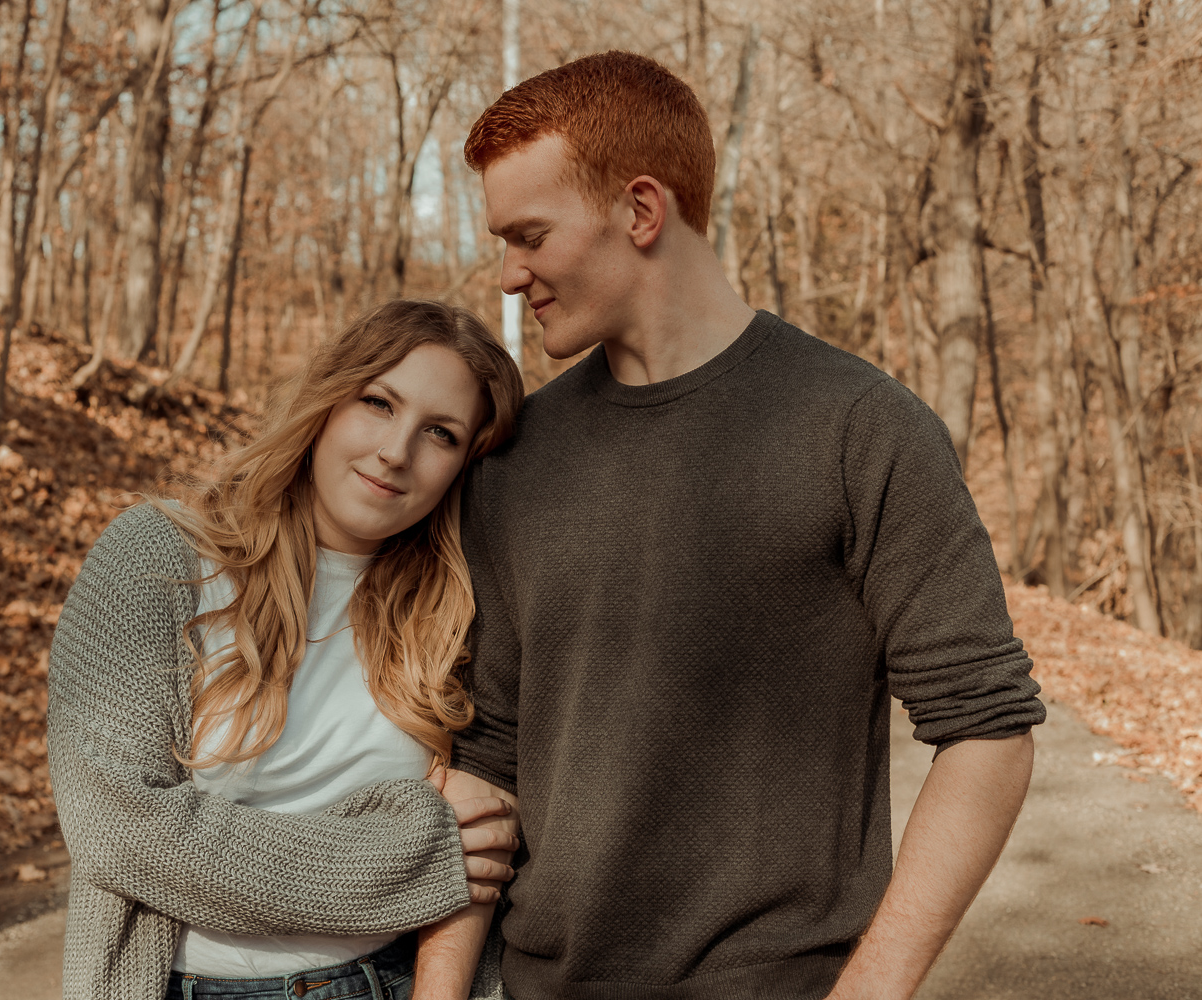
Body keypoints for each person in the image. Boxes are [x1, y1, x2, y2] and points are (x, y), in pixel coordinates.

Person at [415, 52, 1048, 1000]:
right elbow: (489, 761)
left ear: (640, 210)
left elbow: (987, 730)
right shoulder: (513, 459)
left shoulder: (860, 428)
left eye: (529, 236)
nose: (508, 275)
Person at [47, 299, 525, 1000]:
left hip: (391, 981)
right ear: (327, 401)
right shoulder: (155, 561)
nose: (396, 452)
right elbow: (116, 830)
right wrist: (406, 860)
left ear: (464, 465)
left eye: (441, 433)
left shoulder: (456, 608)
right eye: (378, 402)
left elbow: (487, 832)